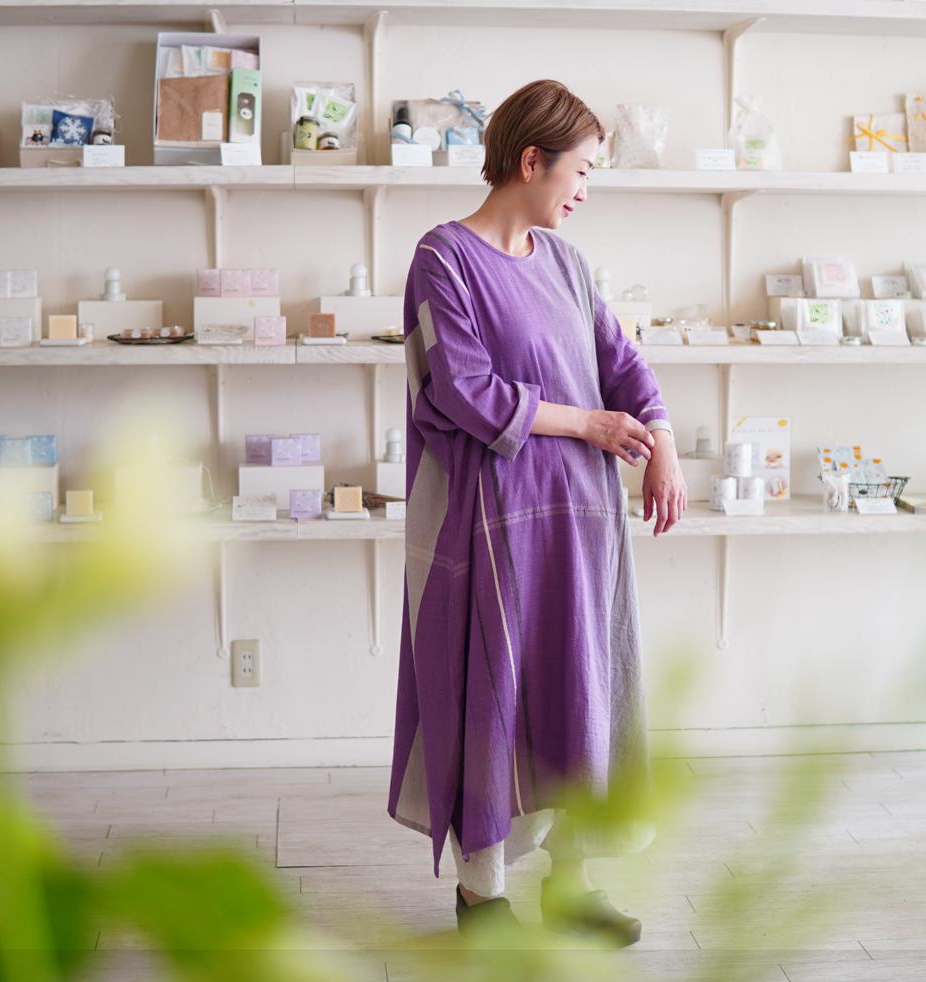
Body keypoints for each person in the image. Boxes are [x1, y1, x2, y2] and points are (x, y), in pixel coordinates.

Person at [386, 79, 687, 947]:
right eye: (581, 170)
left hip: (582, 526)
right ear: (531, 162)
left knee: (582, 698)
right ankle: (481, 896)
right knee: (495, 704)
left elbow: (622, 363)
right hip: (494, 529)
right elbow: (464, 390)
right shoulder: (443, 260)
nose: (585, 190)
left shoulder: (567, 264)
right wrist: (588, 423)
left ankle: (573, 886)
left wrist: (662, 442)